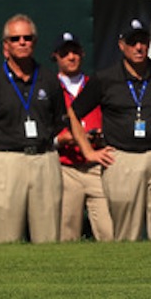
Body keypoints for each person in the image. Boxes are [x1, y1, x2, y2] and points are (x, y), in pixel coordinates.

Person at [68, 18, 151, 241]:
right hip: (120, 157)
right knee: (125, 233)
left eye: (142, 41)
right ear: (122, 45)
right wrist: (88, 152)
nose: (138, 47)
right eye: (132, 42)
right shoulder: (106, 78)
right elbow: (73, 113)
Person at [0, 14, 66, 243]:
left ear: (34, 42)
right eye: (16, 38)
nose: (22, 42)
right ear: (6, 46)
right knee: (5, 238)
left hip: (44, 159)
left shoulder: (49, 79)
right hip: (6, 162)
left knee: (48, 238)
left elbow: (59, 119)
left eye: (27, 37)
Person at [54, 32, 114, 241]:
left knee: (110, 232)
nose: (71, 57)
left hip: (96, 165)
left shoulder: (95, 84)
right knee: (66, 235)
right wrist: (61, 139)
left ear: (83, 53)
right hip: (66, 166)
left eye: (75, 52)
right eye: (65, 53)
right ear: (56, 57)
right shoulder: (51, 87)